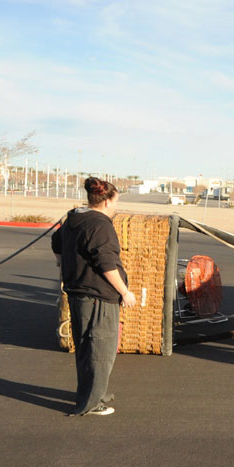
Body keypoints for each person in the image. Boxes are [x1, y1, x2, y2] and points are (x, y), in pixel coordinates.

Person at [51, 177, 137, 417]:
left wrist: (63, 265)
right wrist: (125, 292)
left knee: (86, 348)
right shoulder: (100, 225)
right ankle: (91, 403)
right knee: (100, 350)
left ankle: (94, 392)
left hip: (79, 293)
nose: (116, 206)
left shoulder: (74, 219)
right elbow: (106, 263)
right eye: (116, 201)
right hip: (98, 296)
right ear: (107, 201)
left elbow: (56, 243)